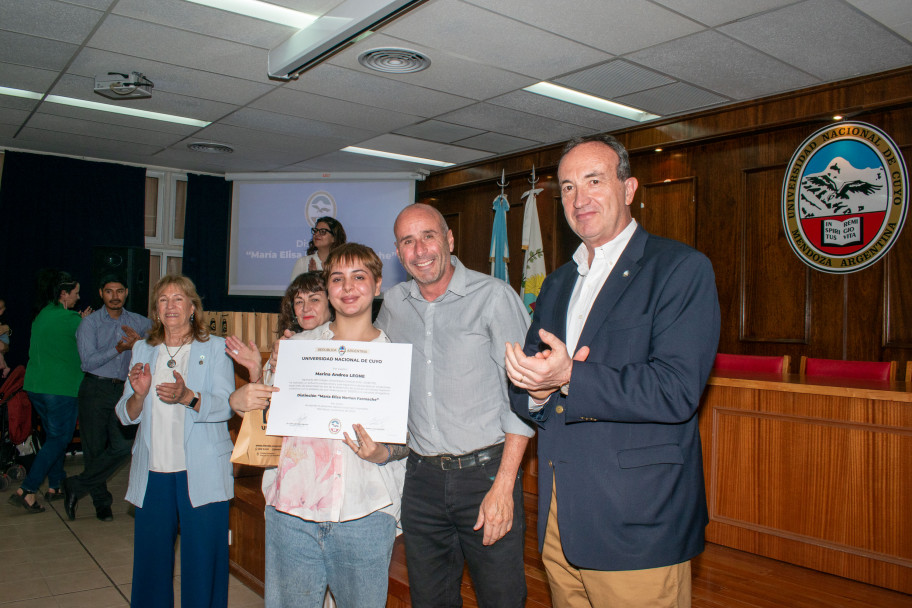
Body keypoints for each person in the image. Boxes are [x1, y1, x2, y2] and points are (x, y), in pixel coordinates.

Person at [505, 134, 720, 608]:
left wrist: (569, 377)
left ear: (629, 189)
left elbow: (676, 390)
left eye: (594, 181)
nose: (579, 198)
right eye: (567, 187)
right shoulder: (557, 283)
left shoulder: (680, 269)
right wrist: (536, 388)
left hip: (637, 521)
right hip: (560, 519)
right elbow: (529, 388)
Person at [230, 243, 407, 608]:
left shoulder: (395, 356)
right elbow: (267, 421)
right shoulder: (296, 348)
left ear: (377, 285)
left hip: (366, 513)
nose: (348, 287)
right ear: (328, 288)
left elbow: (409, 438)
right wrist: (241, 399)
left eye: (359, 277)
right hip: (293, 514)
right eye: (338, 278)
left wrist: (382, 452)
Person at [375, 204, 533, 607]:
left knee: (501, 598)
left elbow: (526, 396)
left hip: (486, 477)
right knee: (430, 600)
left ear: (449, 239)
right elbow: (369, 363)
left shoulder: (494, 297)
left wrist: (504, 486)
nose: (420, 250)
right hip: (421, 481)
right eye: (407, 241)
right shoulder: (393, 304)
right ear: (398, 252)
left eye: (428, 236)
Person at [116, 274, 235, 608]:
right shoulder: (143, 348)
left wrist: (188, 397)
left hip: (203, 469)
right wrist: (139, 395)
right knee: (150, 563)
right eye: (163, 300)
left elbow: (226, 405)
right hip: (154, 470)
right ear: (156, 310)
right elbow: (125, 414)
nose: (170, 306)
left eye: (178, 298)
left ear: (192, 307)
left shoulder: (215, 348)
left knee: (203, 562)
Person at [64, 274, 152, 522]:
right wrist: (119, 349)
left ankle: (77, 485)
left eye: (120, 291)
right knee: (94, 449)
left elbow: (159, 345)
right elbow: (87, 362)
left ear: (126, 293)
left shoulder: (139, 322)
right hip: (95, 388)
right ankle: (101, 503)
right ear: (101, 293)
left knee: (124, 446)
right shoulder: (89, 324)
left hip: (125, 389)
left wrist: (140, 343)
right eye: (109, 291)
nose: (115, 296)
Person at [8, 270, 91, 513]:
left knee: (53, 437)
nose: (78, 297)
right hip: (60, 389)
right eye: (75, 293)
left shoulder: (42, 314)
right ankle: (28, 489)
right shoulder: (72, 319)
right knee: (59, 439)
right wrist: (84, 321)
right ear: (63, 294)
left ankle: (55, 485)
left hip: (36, 387)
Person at [290, 216, 347, 280]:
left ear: (334, 238)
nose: (316, 234)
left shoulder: (344, 262)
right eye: (315, 231)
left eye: (323, 231)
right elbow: (294, 286)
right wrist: (311, 279)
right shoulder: (303, 262)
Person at [0, 298, 12, 378]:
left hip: (3, 339)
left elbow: (10, 331)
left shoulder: (4, 319)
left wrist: (7, 329)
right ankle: (5, 366)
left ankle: (3, 365)